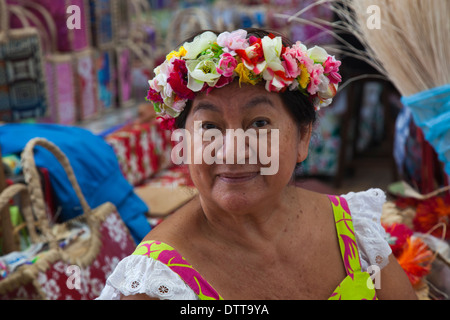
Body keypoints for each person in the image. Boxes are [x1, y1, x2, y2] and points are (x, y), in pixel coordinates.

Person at [97, 28, 417, 300]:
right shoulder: (157, 284)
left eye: (259, 123)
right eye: (209, 127)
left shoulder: (352, 230)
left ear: (303, 137)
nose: (232, 152)